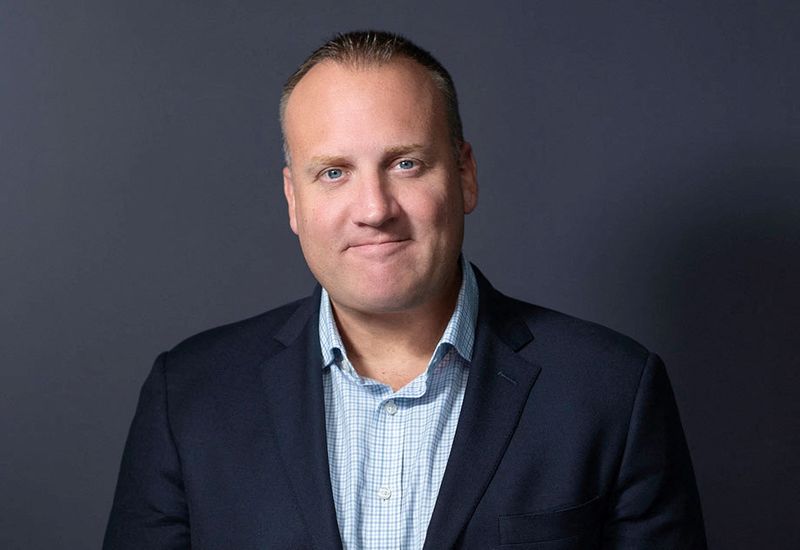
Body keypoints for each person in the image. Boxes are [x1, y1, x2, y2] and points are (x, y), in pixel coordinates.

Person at [104, 31, 706, 549]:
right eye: (333, 172)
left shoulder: (612, 393)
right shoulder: (187, 398)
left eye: (406, 164)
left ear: (464, 175)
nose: (374, 209)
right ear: (294, 199)